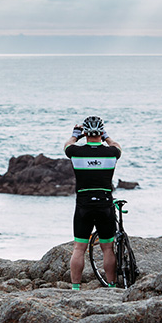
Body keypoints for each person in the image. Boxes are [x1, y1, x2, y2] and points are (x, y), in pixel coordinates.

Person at [62, 116, 122, 290]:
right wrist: (107, 137)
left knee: (79, 247)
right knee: (108, 248)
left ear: (85, 133)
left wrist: (75, 135)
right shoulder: (112, 153)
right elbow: (116, 146)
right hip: (105, 204)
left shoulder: (75, 152)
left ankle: (75, 287)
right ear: (101, 133)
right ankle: (111, 286)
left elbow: (68, 145)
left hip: (84, 204)